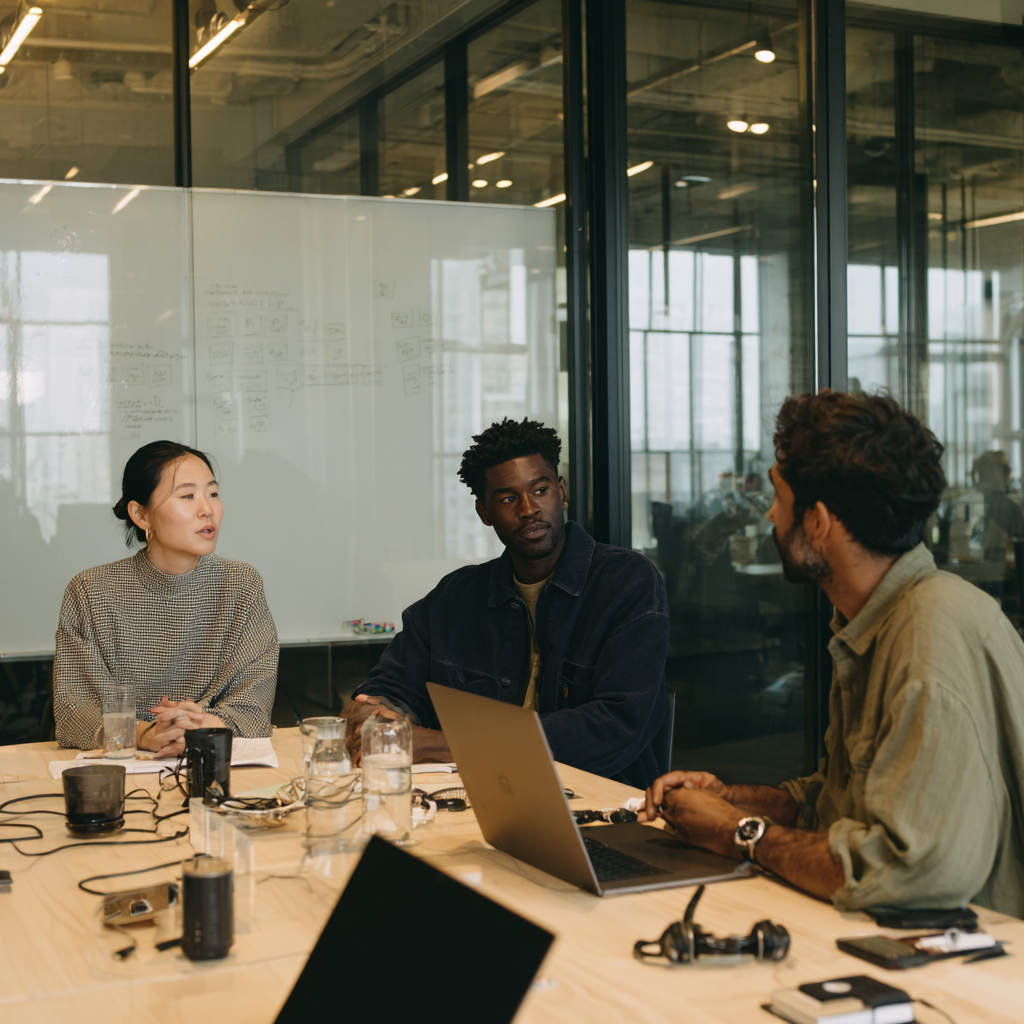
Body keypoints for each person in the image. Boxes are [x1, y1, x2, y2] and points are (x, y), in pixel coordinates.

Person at [640, 391, 1024, 917]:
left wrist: (736, 832)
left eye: (780, 497)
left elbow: (905, 871)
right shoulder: (875, 619)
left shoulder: (928, 637)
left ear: (819, 521)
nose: (772, 514)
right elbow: (838, 801)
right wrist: (731, 799)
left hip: (964, 970)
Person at [343, 418, 669, 788]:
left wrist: (441, 745)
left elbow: (616, 724)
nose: (529, 509)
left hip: (597, 799)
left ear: (562, 493)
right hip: (476, 793)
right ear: (485, 513)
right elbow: (394, 683)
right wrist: (372, 714)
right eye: (508, 498)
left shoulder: (627, 582)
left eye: (540, 490)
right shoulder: (457, 595)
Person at [53, 441, 279, 757]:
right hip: (125, 762)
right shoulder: (91, 591)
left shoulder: (241, 585)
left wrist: (200, 726)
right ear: (141, 515)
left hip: (211, 757)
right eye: (187, 496)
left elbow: (253, 706)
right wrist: (146, 733)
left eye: (212, 493)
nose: (207, 509)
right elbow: (73, 710)